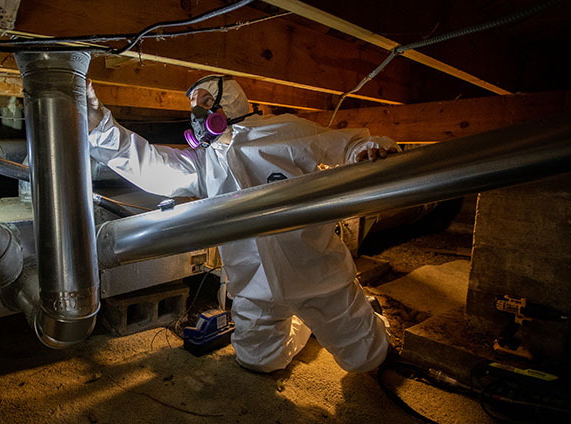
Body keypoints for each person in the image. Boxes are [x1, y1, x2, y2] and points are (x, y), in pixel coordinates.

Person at [87, 75, 399, 373]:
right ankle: (303, 322)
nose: (198, 112)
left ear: (231, 102)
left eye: (206, 101)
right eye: (193, 105)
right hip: (254, 287)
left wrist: (365, 149)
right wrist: (99, 126)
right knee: (258, 361)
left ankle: (360, 318)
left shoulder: (284, 130)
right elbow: (150, 165)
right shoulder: (206, 161)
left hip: (317, 276)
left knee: (366, 359)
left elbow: (343, 143)